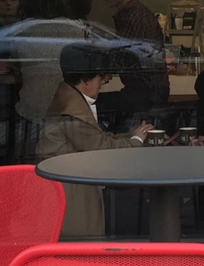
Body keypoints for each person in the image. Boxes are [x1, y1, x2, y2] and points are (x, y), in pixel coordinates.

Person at [37, 44, 152, 239]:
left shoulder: (69, 99)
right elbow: (101, 149)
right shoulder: (73, 112)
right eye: (101, 77)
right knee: (79, 253)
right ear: (87, 80)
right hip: (71, 196)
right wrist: (135, 141)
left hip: (65, 188)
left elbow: (96, 137)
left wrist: (129, 136)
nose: (104, 82)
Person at [100, 0, 169, 116]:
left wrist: (97, 70)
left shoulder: (134, 18)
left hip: (145, 96)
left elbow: (121, 56)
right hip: (145, 92)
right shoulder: (134, 14)